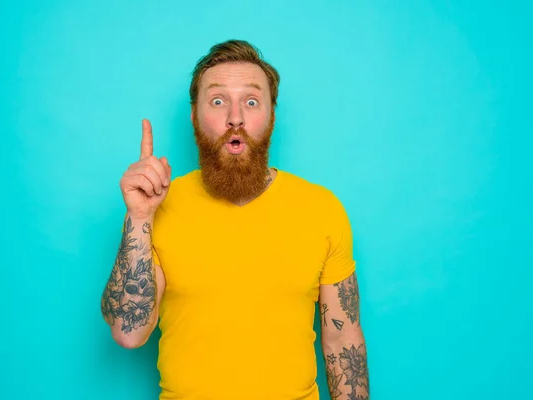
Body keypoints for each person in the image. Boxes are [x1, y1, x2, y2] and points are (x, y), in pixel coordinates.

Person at [101, 39, 370, 400]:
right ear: (194, 116)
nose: (235, 117)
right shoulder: (155, 207)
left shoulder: (321, 208)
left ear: (271, 116)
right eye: (217, 101)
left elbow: (342, 341)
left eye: (251, 101)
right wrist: (138, 217)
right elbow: (128, 332)